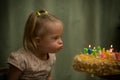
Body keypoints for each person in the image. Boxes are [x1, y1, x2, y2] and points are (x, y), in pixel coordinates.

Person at [7, 9, 63, 80]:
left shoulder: (51, 56)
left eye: (60, 37)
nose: (61, 41)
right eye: (55, 38)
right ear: (38, 41)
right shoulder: (21, 59)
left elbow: (48, 76)